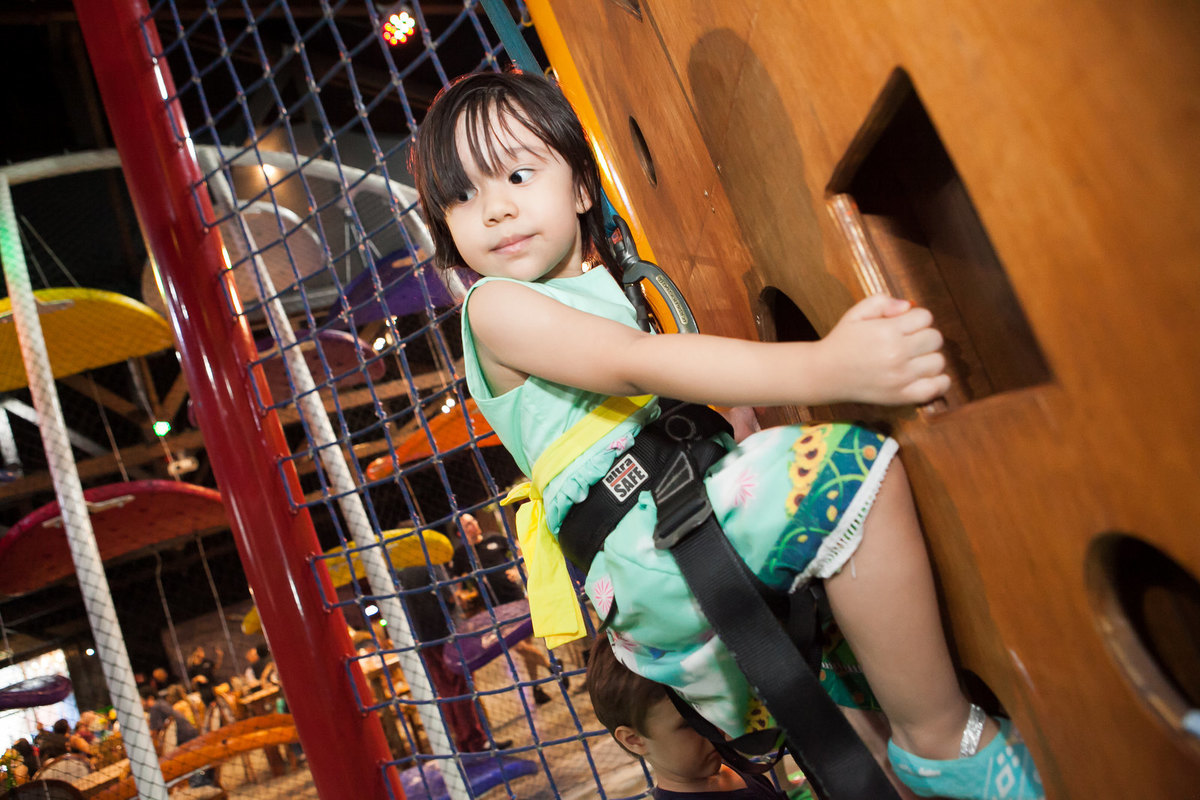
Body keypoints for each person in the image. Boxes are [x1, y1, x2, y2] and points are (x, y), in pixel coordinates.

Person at [410, 70, 1043, 800]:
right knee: (845, 472)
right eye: (463, 197)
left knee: (852, 671)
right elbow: (631, 360)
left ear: (581, 187)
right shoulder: (495, 307)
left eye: (518, 175)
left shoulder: (590, 291)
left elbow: (628, 408)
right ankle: (941, 743)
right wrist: (832, 367)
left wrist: (716, 434)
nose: (494, 209)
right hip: (654, 560)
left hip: (670, 551)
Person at [587, 634, 787, 799]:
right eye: (689, 724)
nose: (715, 728)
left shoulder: (736, 770)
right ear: (634, 740)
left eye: (709, 708)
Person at [451, 512, 565, 705]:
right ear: (460, 532)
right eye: (468, 524)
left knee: (525, 644)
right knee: (517, 646)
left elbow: (520, 551)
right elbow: (457, 581)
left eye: (473, 520)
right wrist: (459, 594)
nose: (474, 524)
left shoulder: (494, 539)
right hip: (494, 609)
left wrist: (516, 571)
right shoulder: (461, 554)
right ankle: (552, 666)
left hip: (515, 598)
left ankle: (536, 689)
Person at [397, 564, 507, 753]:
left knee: (446, 692)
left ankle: (463, 742)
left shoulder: (398, 572)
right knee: (462, 688)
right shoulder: (429, 562)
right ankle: (477, 741)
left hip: (423, 640)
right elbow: (448, 596)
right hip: (446, 634)